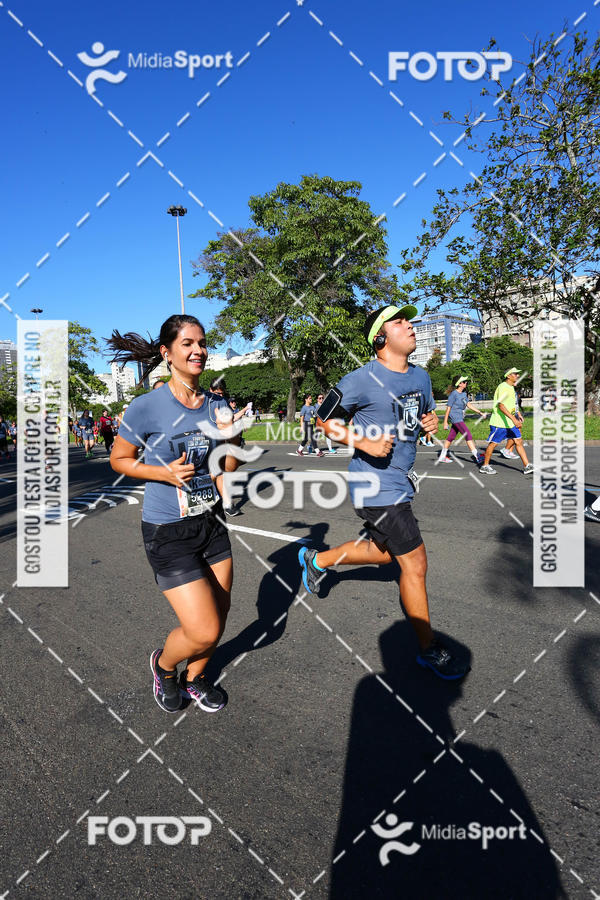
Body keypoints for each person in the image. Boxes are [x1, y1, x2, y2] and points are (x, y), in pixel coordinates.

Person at [298, 303, 469, 680]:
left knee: (383, 554)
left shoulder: (421, 377)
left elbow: (420, 417)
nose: (410, 326)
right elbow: (323, 420)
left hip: (399, 482)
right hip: (374, 485)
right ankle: (428, 649)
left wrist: (426, 423)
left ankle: (317, 561)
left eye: (409, 320)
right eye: (400, 322)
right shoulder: (359, 379)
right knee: (415, 563)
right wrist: (362, 440)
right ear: (380, 338)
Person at [108, 314, 242, 714]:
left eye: (202, 343)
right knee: (204, 628)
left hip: (210, 522)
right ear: (167, 353)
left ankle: (196, 677)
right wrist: (161, 472)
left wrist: (231, 434)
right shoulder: (147, 406)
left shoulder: (217, 404)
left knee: (220, 610)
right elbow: (119, 459)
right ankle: (164, 666)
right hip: (168, 529)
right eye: (187, 344)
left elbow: (226, 468)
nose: (198, 350)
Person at [480, 368, 534, 475]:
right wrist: (514, 419)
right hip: (499, 422)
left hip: (510, 422)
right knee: (493, 444)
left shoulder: (510, 387)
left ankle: (527, 465)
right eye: (515, 374)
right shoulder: (503, 387)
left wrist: (518, 414)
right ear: (508, 376)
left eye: (518, 374)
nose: (517, 375)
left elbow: (512, 404)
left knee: (518, 441)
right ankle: (485, 466)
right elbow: (501, 405)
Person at [438, 376, 486, 464]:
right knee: (468, 435)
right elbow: (448, 408)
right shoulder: (453, 394)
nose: (466, 383)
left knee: (451, 437)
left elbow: (469, 405)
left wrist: (480, 412)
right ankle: (477, 456)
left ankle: (442, 456)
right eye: (464, 382)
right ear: (459, 384)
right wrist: (445, 422)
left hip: (459, 418)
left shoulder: (463, 394)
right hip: (455, 417)